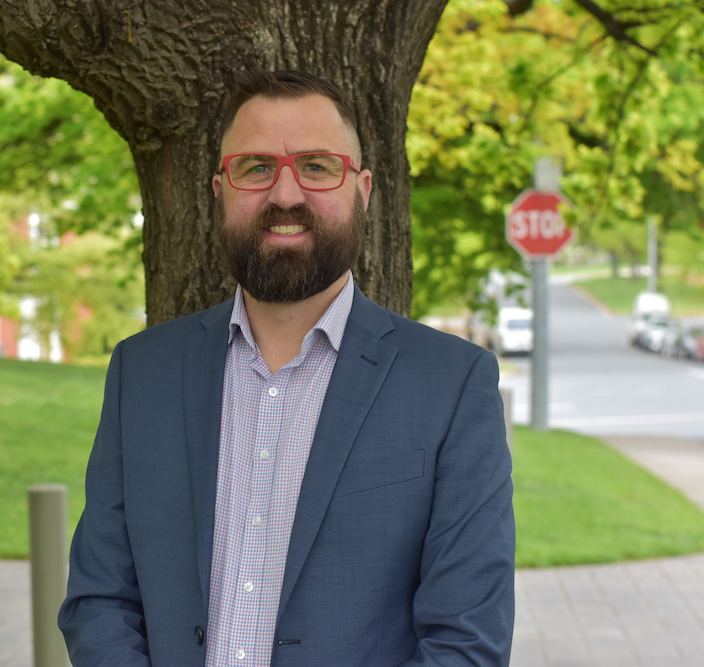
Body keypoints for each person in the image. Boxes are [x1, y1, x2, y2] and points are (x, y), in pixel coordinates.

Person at [58, 70, 515, 667]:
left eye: (317, 166)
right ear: (220, 188)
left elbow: (466, 642)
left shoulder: (451, 385)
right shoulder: (141, 374)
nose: (285, 195)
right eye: (256, 167)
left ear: (363, 189)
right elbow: (99, 603)